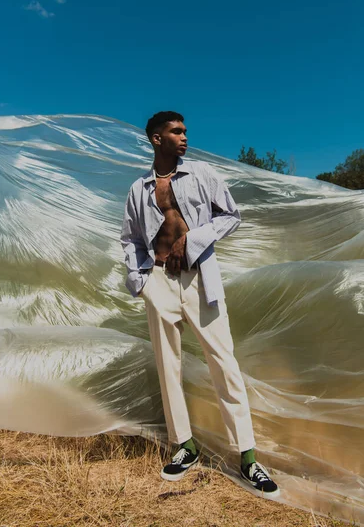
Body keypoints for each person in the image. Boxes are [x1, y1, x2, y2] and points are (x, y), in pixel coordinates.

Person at [120, 111, 279, 497]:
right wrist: (139, 280)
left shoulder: (203, 174)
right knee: (167, 366)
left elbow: (231, 216)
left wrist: (189, 242)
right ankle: (184, 446)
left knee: (224, 363)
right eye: (176, 132)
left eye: (185, 131)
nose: (185, 137)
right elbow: (129, 238)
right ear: (157, 139)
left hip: (198, 278)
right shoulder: (138, 189)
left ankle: (248, 457)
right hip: (157, 280)